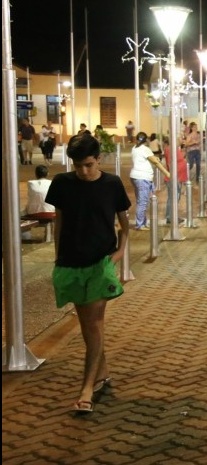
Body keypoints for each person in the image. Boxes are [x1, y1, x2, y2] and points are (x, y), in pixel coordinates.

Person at [45, 133, 132, 414]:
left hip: (99, 263)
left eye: (88, 165)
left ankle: (86, 389)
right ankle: (103, 372)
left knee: (93, 324)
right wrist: (58, 257)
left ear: (99, 160)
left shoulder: (112, 184)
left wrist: (118, 255)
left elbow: (125, 225)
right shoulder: (62, 184)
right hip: (71, 263)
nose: (83, 171)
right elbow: (59, 222)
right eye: (77, 165)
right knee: (88, 325)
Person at [129, 132, 171, 230]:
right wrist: (167, 173)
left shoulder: (135, 148)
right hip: (142, 178)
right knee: (143, 202)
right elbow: (156, 162)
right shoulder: (145, 149)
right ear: (146, 140)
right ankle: (140, 224)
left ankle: (142, 222)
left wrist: (154, 158)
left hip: (135, 177)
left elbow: (147, 159)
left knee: (141, 201)